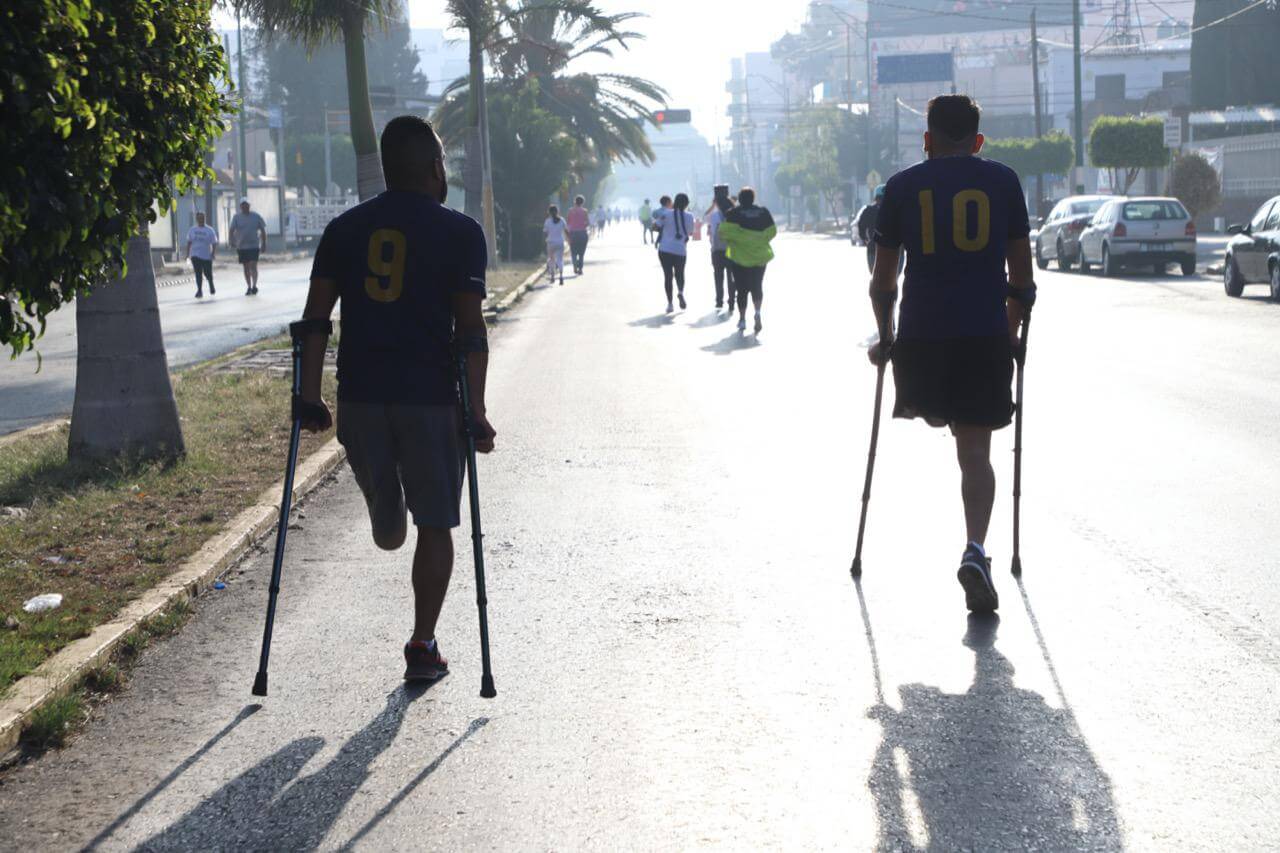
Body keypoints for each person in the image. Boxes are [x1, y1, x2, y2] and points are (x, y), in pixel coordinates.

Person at [295, 114, 496, 682]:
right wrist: (476, 412)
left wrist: (308, 396)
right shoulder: (460, 232)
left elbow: (314, 321)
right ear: (435, 168)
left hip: (360, 399)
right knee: (436, 522)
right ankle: (422, 644)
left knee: (392, 525)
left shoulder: (344, 229)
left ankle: (386, 510)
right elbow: (471, 331)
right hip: (431, 400)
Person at [866, 94, 1036, 615]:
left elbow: (882, 282)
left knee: (937, 411)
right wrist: (1011, 334)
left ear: (928, 139)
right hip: (982, 338)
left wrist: (885, 336)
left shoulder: (900, 187)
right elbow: (1022, 282)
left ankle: (938, 409)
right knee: (976, 454)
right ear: (978, 140)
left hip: (920, 343)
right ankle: (976, 550)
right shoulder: (1003, 181)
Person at [719, 187, 776, 334]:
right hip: (759, 257)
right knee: (757, 286)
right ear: (753, 198)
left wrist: (740, 238)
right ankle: (757, 312)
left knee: (741, 289)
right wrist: (757, 240)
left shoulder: (733, 213)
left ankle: (742, 320)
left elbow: (723, 233)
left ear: (740, 198)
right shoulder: (763, 212)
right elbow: (772, 231)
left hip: (738, 258)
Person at [653, 193, 695, 312]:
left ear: (674, 202)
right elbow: (691, 233)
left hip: (665, 249)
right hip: (680, 250)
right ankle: (680, 292)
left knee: (668, 275)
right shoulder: (690, 216)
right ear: (687, 204)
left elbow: (655, 226)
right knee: (680, 273)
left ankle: (670, 304)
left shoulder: (666, 214)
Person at [229, 198, 267, 295]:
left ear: (249, 206)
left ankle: (254, 285)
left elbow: (263, 230)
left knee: (253, 265)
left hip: (254, 245)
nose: (245, 207)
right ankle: (249, 286)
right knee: (246, 267)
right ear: (240, 207)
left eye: (246, 205)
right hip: (242, 246)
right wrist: (232, 241)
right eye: (243, 205)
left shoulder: (256, 216)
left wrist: (264, 243)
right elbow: (231, 230)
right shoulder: (236, 217)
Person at [706, 185, 735, 310]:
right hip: (731, 250)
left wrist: (713, 205)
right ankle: (732, 300)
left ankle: (719, 300)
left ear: (716, 202)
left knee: (718, 275)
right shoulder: (735, 214)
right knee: (731, 276)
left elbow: (705, 216)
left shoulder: (713, 216)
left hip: (717, 250)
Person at [184, 211, 218, 299]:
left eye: (202, 218)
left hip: (206, 255)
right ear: (196, 219)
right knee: (198, 273)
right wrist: (187, 254)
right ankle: (199, 290)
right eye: (199, 218)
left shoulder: (209, 230)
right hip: (195, 255)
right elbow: (189, 242)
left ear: (204, 218)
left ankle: (211, 283)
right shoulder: (192, 230)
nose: (201, 220)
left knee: (207, 273)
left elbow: (214, 243)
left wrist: (213, 253)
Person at [855, 184, 887, 272]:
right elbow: (861, 225)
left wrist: (864, 238)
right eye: (880, 198)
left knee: (877, 275)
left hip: (887, 249)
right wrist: (864, 238)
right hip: (876, 248)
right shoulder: (869, 210)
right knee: (876, 274)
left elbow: (861, 225)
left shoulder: (869, 210)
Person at [566, 195, 591, 275]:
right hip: (582, 233)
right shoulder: (585, 211)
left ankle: (575, 266)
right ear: (582, 202)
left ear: (575, 201)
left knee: (573, 252)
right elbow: (588, 223)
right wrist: (583, 224)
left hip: (573, 233)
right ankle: (580, 269)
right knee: (581, 253)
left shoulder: (570, 211)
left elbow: (568, 222)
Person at [544, 205, 567, 285]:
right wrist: (569, 240)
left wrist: (546, 239)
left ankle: (553, 277)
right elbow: (566, 231)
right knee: (560, 259)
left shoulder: (547, 221)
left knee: (551, 259)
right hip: (560, 242)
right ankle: (561, 276)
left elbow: (545, 233)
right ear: (557, 211)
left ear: (549, 212)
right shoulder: (562, 220)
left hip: (550, 243)